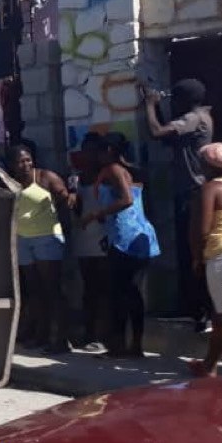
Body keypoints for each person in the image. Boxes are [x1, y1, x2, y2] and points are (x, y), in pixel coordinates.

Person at [143, 78, 214, 332]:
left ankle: (203, 312)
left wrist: (150, 105)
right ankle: (201, 311)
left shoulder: (193, 118)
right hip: (191, 193)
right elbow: (167, 137)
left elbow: (156, 132)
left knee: (194, 255)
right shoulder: (198, 118)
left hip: (193, 195)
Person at [81, 133, 160, 358]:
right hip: (136, 235)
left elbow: (126, 200)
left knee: (118, 293)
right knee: (132, 293)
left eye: (99, 151)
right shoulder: (131, 170)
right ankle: (135, 345)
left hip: (126, 237)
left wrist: (96, 214)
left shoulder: (114, 170)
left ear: (109, 151)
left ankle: (118, 347)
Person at [8, 145, 71, 353]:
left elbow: (65, 199)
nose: (26, 164)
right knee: (34, 291)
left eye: (28, 160)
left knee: (52, 289)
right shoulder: (10, 182)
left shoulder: (45, 177)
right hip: (23, 240)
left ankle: (60, 339)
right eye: (20, 161)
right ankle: (41, 335)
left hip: (46, 238)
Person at [190, 143, 222, 376]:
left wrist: (197, 257)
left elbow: (203, 229)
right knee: (221, 315)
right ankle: (209, 365)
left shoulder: (212, 188)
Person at [71, 133, 109, 351]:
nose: (88, 155)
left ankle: (103, 336)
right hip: (84, 237)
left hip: (104, 237)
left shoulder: (107, 176)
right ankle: (89, 333)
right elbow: (76, 210)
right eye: (85, 150)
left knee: (104, 289)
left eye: (93, 150)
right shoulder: (77, 178)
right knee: (89, 289)